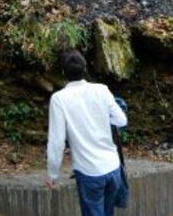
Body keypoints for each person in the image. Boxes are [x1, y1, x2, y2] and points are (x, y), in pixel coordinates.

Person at [46, 50, 127, 216]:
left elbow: (57, 141)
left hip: (90, 172)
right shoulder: (102, 90)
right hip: (113, 168)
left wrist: (52, 174)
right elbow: (121, 120)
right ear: (85, 69)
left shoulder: (59, 99)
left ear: (63, 72)